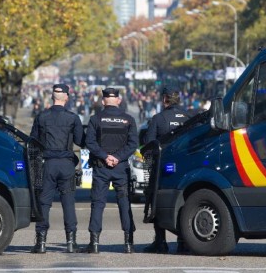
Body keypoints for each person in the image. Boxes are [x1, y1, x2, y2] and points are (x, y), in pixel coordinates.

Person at [82, 87, 138, 254]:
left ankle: (95, 243)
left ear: (103, 100)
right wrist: (118, 158)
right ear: (118, 100)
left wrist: (105, 156)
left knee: (98, 204)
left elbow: (90, 143)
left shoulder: (95, 119)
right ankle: (128, 243)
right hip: (121, 168)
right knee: (124, 204)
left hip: (101, 167)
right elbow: (133, 144)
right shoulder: (128, 120)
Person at [29, 84, 84, 254]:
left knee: (44, 202)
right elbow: (81, 141)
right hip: (66, 163)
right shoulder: (73, 118)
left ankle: (41, 242)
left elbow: (33, 142)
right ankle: (71, 242)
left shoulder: (42, 117)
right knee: (68, 203)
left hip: (48, 163)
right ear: (66, 97)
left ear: (52, 97)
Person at [143, 85, 191, 254]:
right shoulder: (189, 117)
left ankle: (160, 241)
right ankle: (183, 241)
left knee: (156, 201)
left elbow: (149, 144)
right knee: (186, 202)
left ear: (164, 99)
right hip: (186, 167)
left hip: (163, 168)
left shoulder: (158, 118)